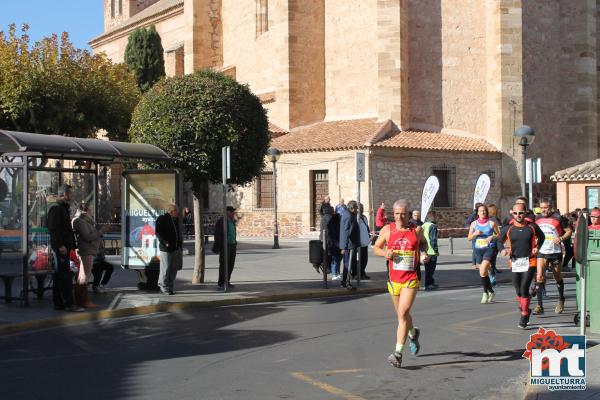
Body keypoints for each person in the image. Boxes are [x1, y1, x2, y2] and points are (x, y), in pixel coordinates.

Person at [373, 199, 428, 368]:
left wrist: (424, 254)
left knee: (403, 312)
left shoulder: (416, 230)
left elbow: (423, 243)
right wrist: (385, 253)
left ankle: (397, 353)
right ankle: (413, 333)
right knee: (402, 316)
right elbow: (375, 248)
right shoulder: (387, 230)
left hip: (411, 278)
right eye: (396, 214)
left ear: (408, 214)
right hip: (394, 279)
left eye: (403, 214)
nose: (399, 217)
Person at [498, 202, 545, 328]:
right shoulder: (508, 228)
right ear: (511, 213)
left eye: (521, 213)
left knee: (524, 287)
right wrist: (502, 249)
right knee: (518, 289)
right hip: (515, 261)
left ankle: (524, 314)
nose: (518, 215)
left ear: (525, 213)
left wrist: (537, 248)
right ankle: (527, 308)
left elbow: (542, 237)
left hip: (530, 260)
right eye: (515, 213)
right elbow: (499, 241)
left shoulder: (532, 226)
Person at [47, 184, 83, 312]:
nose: (72, 195)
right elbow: (53, 229)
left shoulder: (62, 208)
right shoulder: (56, 208)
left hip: (64, 247)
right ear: (64, 194)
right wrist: (60, 245)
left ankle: (59, 303)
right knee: (65, 275)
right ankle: (69, 303)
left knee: (59, 275)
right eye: (70, 193)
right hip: (61, 248)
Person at [533, 200, 572, 315]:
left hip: (555, 252)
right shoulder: (537, 218)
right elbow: (534, 231)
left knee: (557, 277)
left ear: (550, 207)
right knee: (539, 277)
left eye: (545, 207)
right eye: (541, 207)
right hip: (542, 251)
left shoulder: (558, 218)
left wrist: (560, 239)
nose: (543, 210)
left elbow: (569, 231)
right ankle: (540, 306)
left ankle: (561, 300)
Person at [72, 203, 109, 307]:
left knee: (83, 276)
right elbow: (88, 236)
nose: (91, 212)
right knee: (84, 276)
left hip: (88, 250)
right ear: (85, 210)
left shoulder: (84, 221)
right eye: (90, 210)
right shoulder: (79, 221)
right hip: (85, 250)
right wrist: (101, 231)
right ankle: (83, 300)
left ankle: (81, 299)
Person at [467, 204, 500, 304]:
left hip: (488, 249)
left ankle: (485, 293)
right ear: (477, 213)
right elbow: (469, 238)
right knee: (484, 273)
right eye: (481, 211)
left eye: (484, 211)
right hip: (478, 250)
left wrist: (492, 237)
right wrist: (474, 234)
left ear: (487, 212)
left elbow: (499, 235)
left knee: (482, 271)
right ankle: (491, 291)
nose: (483, 212)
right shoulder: (474, 224)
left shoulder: (491, 223)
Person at [155, 204, 183, 295]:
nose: (178, 213)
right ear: (171, 211)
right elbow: (158, 232)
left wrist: (179, 245)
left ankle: (170, 287)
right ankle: (163, 286)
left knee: (173, 269)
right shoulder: (162, 219)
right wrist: (164, 242)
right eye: (176, 211)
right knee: (165, 268)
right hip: (166, 249)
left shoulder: (176, 220)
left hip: (176, 248)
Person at [213, 206, 237, 290]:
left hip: (232, 245)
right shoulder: (221, 221)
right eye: (232, 212)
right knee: (224, 265)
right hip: (225, 246)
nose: (234, 213)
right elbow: (217, 234)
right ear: (228, 213)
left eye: (233, 212)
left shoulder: (232, 221)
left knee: (231, 264)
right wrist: (221, 246)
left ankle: (227, 281)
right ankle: (221, 282)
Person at [339, 200, 360, 288]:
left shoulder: (347, 214)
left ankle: (344, 282)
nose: (357, 210)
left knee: (347, 264)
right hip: (349, 245)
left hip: (348, 245)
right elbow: (346, 232)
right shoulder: (349, 216)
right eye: (356, 208)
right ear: (352, 208)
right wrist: (344, 247)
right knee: (348, 264)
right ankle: (346, 282)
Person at [422, 210, 439, 290]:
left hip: (425, 250)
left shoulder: (423, 225)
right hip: (431, 251)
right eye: (436, 216)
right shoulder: (433, 226)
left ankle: (431, 283)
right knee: (431, 269)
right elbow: (433, 239)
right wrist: (435, 250)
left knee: (427, 269)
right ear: (433, 217)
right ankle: (428, 285)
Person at [326, 212, 342, 280]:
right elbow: (333, 237)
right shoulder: (333, 226)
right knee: (335, 260)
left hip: (336, 245)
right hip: (334, 245)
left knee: (338, 260)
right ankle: (334, 274)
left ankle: (337, 273)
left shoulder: (336, 225)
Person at [356, 203, 371, 280]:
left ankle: (362, 272)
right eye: (359, 208)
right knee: (359, 259)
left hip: (365, 242)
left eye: (361, 208)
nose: (361, 209)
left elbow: (367, 227)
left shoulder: (364, 217)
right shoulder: (356, 218)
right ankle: (357, 273)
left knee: (364, 259)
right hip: (359, 242)